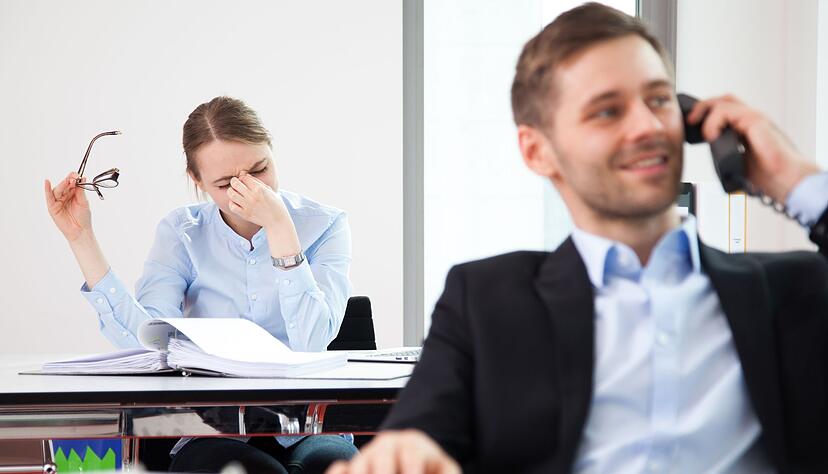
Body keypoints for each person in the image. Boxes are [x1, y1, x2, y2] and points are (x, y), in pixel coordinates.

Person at [327, 3, 828, 474]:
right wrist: (408, 450)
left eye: (659, 99)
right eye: (607, 111)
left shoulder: (793, 287)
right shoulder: (485, 298)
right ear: (537, 151)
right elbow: (419, 435)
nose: (649, 126)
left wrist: (800, 182)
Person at [44, 96, 358, 473]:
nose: (249, 191)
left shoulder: (325, 225)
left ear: (272, 151)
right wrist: (82, 240)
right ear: (198, 182)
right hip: (214, 429)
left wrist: (279, 229)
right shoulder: (182, 232)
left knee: (334, 465)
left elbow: (310, 342)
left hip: (309, 425)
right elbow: (146, 344)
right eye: (225, 183)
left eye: (260, 170)